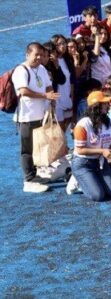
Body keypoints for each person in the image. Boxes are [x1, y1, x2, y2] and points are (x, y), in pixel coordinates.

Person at [12, 42, 59, 193]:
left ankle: (35, 174)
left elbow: (48, 85)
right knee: (27, 149)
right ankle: (28, 179)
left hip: (41, 115)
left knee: (38, 147)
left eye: (41, 55)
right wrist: (45, 96)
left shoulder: (41, 69)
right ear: (27, 55)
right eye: (36, 54)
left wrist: (51, 100)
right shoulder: (21, 70)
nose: (39, 57)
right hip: (26, 117)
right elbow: (23, 91)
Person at [67, 91, 111, 201]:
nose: (108, 105)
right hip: (83, 163)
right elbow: (80, 150)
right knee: (98, 196)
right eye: (104, 103)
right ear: (96, 106)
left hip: (101, 162)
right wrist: (102, 151)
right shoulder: (82, 125)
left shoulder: (109, 122)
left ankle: (92, 179)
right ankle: (76, 179)